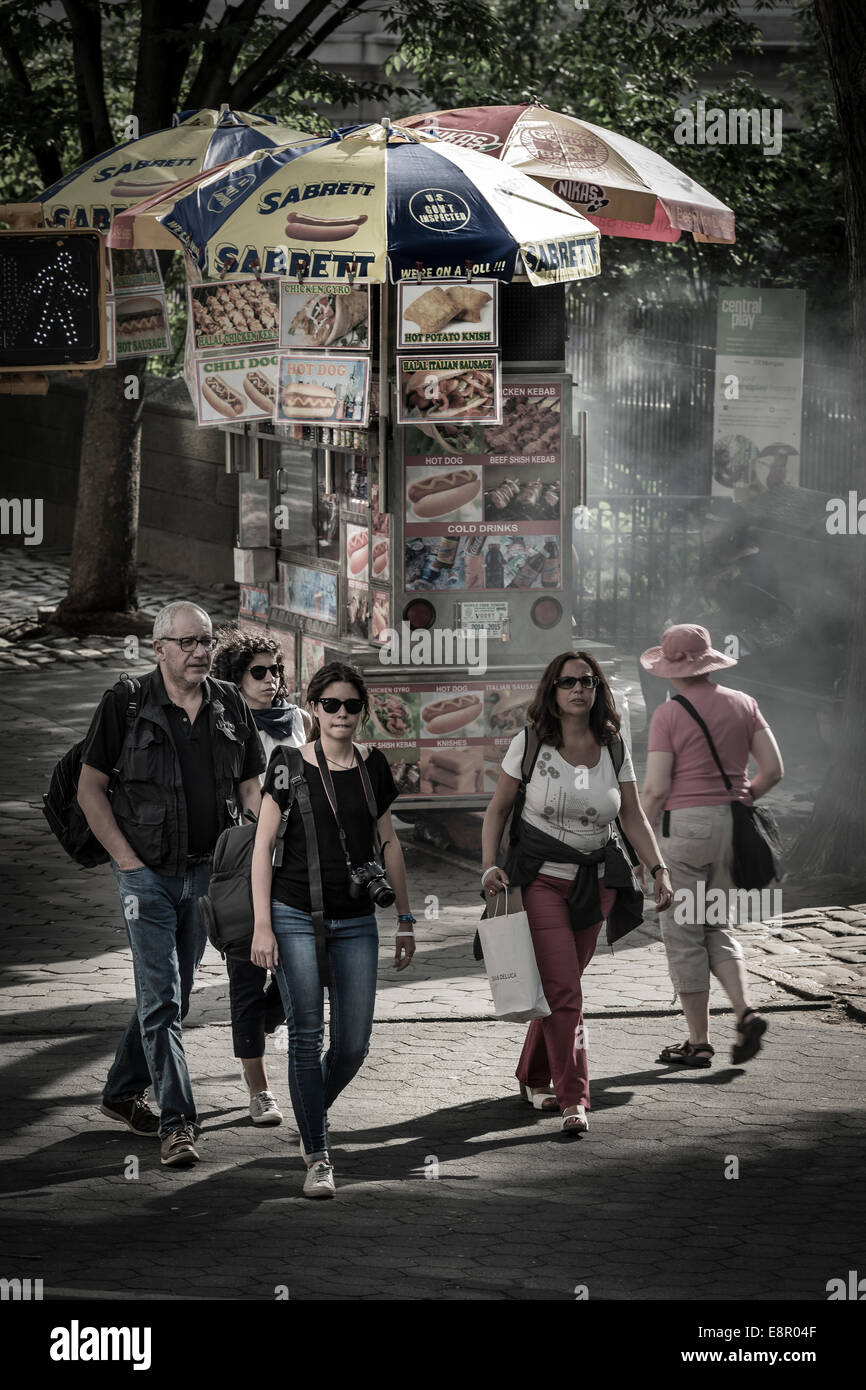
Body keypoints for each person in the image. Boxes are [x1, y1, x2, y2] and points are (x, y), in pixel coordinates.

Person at [77, 603, 265, 1167]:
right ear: (158, 649)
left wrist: (264, 840)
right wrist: (127, 863)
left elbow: (252, 785)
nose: (199, 652)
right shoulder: (126, 702)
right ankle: (178, 1124)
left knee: (173, 992)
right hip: (147, 875)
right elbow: (90, 790)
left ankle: (118, 1092)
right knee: (163, 1000)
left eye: (205, 641)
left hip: (208, 873)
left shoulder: (230, 702)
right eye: (186, 643)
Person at [481, 652, 673, 1133]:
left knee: (556, 989)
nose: (578, 689)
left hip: (595, 882)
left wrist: (658, 868)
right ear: (553, 691)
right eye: (567, 682)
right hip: (541, 878)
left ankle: (532, 1075)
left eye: (587, 681)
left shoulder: (613, 746)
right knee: (567, 991)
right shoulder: (529, 743)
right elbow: (498, 810)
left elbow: (631, 815)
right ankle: (574, 1099)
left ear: (597, 690)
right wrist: (488, 867)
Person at [250, 662, 416, 1198]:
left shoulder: (374, 766)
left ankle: (307, 1109)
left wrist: (407, 918)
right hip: (293, 914)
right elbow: (262, 849)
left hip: (356, 920)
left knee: (353, 1045)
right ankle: (318, 1152)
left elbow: (388, 843)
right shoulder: (286, 764)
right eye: (330, 705)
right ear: (314, 708)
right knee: (305, 1036)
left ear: (361, 710)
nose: (341, 715)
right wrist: (262, 927)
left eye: (351, 705)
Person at [639, 624, 784, 1067]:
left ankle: (698, 1042)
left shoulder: (668, 714)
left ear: (669, 669)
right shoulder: (744, 703)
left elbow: (658, 789)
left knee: (683, 935)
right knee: (714, 926)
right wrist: (738, 804)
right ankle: (745, 1011)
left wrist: (638, 839)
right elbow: (774, 770)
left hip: (685, 830)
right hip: (733, 826)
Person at [211, 628, 313, 1127]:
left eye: (276, 670)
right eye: (259, 671)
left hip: (298, 862)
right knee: (246, 977)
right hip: (245, 860)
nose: (271, 680)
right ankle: (259, 1089)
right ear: (236, 676)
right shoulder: (224, 723)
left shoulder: (302, 720)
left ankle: (266, 1021)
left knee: (315, 966)